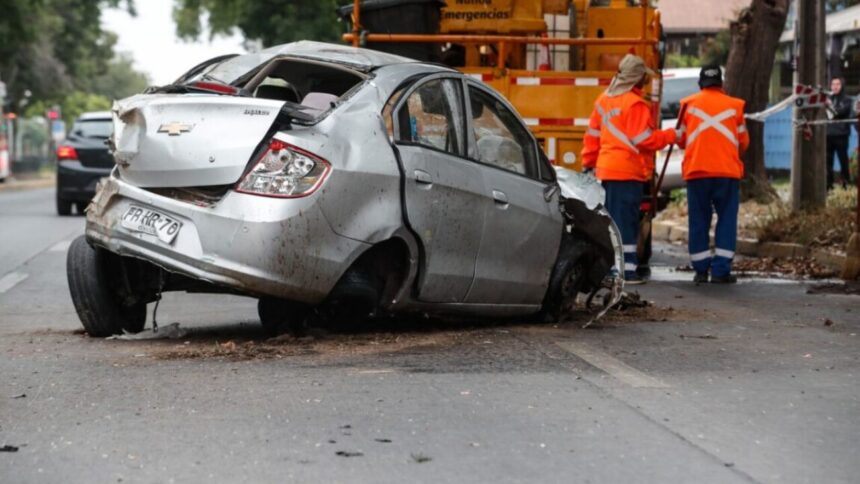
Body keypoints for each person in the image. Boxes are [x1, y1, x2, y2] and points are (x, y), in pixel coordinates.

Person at [582, 54, 679, 284]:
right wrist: (671, 135)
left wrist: (588, 163)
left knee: (611, 222)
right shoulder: (635, 104)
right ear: (638, 78)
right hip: (626, 171)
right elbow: (644, 139)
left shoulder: (603, 100)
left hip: (606, 170)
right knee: (626, 222)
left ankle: (611, 268)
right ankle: (627, 270)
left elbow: (592, 137)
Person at [677, 65, 750, 284]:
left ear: (701, 84)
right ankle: (720, 271)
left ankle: (700, 270)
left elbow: (680, 139)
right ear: (721, 84)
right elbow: (743, 142)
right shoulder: (735, 106)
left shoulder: (687, 105)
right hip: (726, 172)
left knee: (699, 220)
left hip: (697, 171)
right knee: (726, 219)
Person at [826, 77, 852, 190]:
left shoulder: (847, 100)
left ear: (842, 86)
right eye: (833, 84)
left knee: (843, 161)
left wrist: (830, 106)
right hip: (828, 134)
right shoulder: (828, 99)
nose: (835, 86)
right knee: (828, 161)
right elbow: (825, 114)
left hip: (841, 135)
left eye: (838, 84)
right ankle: (828, 184)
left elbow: (840, 112)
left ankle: (845, 183)